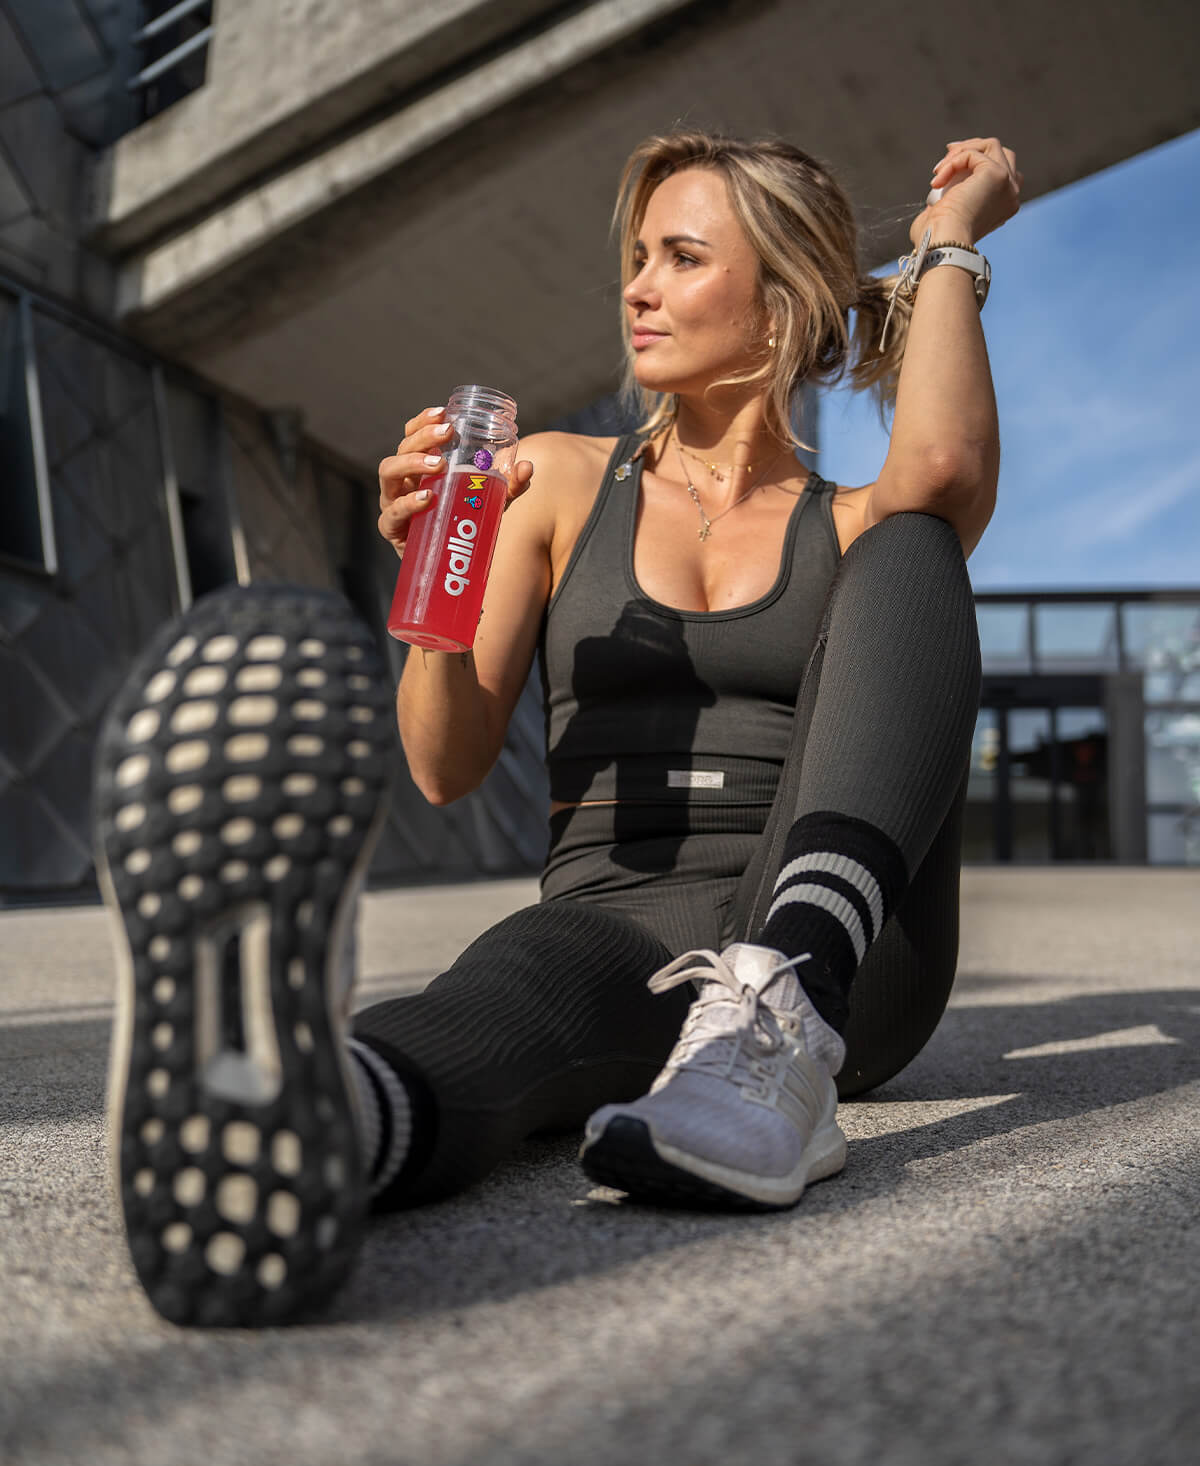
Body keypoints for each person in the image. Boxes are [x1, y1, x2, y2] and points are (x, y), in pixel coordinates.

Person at [96, 130, 1021, 1326]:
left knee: (916, 543)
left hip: (848, 967)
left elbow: (942, 462)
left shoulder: (847, 520)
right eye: (637, 256)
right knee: (497, 1003)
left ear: (784, 299)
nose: (636, 286)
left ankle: (779, 1018)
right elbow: (444, 764)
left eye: (682, 256)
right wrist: (435, 593)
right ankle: (294, 1130)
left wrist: (947, 240)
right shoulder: (553, 482)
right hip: (613, 929)